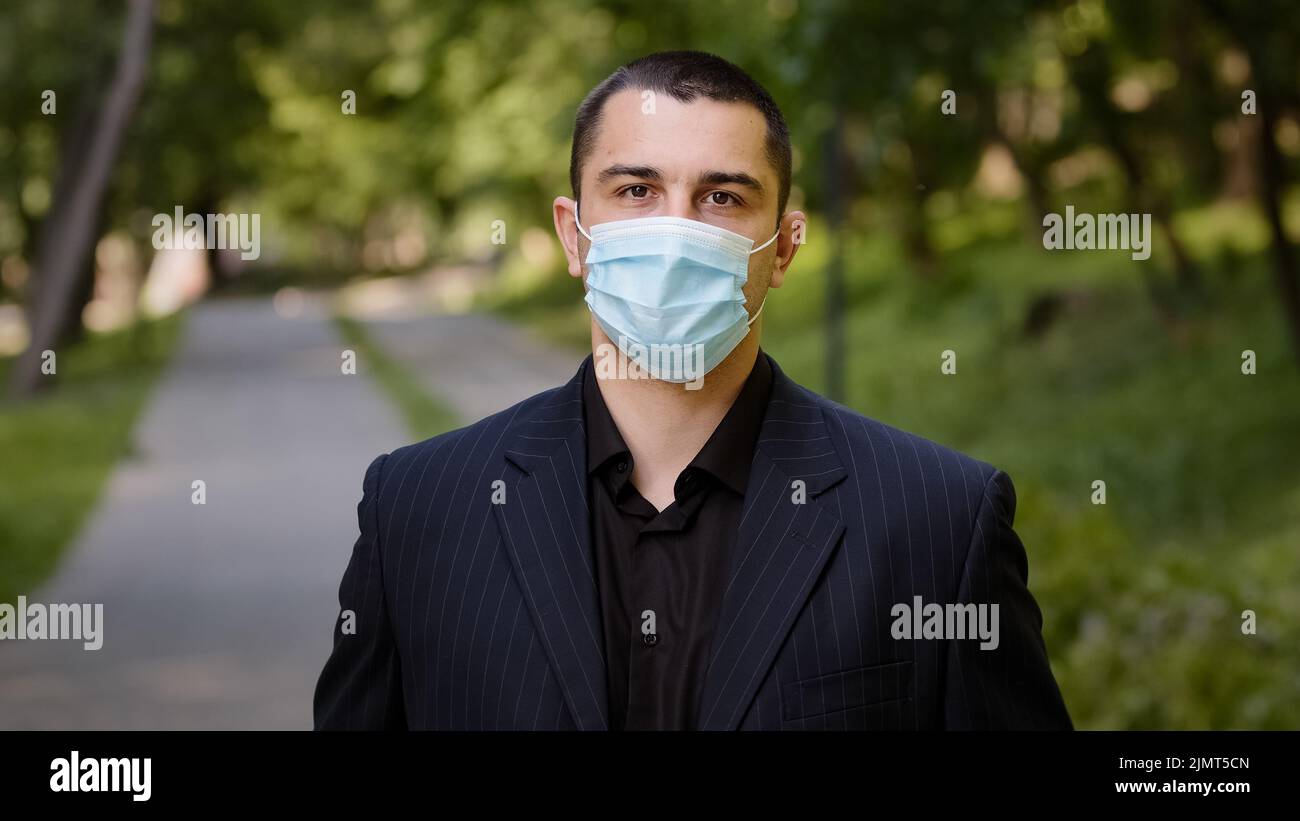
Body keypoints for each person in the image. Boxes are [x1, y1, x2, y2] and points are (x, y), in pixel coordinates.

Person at [313, 50, 1072, 730]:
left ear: (783, 249)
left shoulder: (938, 522)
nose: (675, 233)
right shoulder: (416, 511)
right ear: (573, 235)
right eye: (637, 189)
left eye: (722, 199)